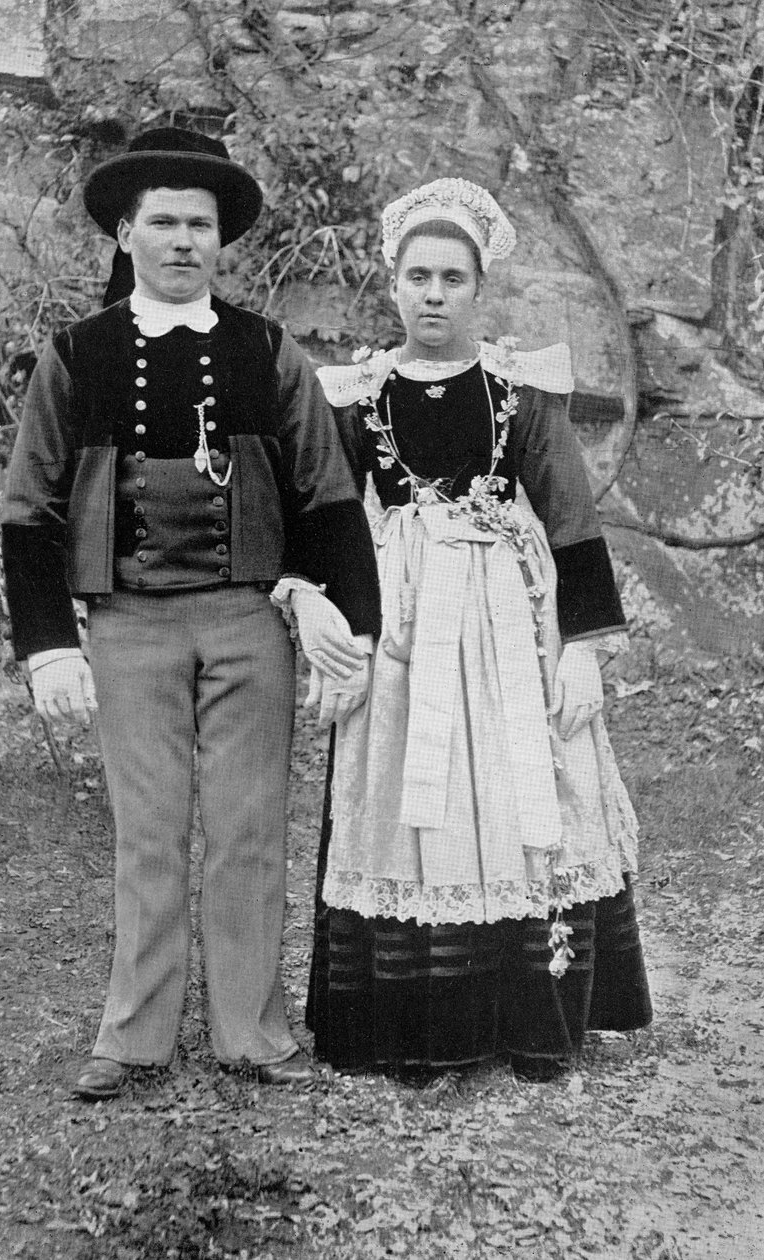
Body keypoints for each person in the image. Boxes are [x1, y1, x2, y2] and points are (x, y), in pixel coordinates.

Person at [0, 127, 380, 1100]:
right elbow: (27, 508)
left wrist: (356, 628)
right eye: (161, 221)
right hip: (127, 624)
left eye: (200, 224)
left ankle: (253, 1033)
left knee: (251, 828)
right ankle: (132, 1036)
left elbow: (326, 493)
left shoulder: (264, 349)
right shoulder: (75, 355)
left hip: (249, 622)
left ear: (222, 241)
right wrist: (48, 646)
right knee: (148, 831)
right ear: (124, 232)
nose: (182, 241)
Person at [305, 177, 652, 1079]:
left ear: (476, 288)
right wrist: (328, 625)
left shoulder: (519, 391)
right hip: (406, 628)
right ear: (391, 283)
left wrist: (582, 651)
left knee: (519, 793)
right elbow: (332, 521)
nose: (432, 294)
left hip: (506, 622)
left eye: (450, 278)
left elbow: (571, 520)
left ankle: (533, 1023)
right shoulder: (357, 395)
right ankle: (420, 1031)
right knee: (406, 808)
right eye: (417, 276)